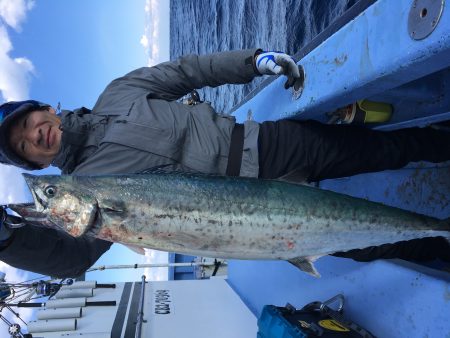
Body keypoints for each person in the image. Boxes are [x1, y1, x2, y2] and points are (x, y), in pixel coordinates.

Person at [0, 49, 449, 277]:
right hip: (253, 223)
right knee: (368, 244)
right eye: (23, 146)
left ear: (43, 109)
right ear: (34, 161)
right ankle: (438, 240)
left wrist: (254, 62)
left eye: (28, 122)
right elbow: (68, 259)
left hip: (263, 147)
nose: (34, 135)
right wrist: (6, 241)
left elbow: (188, 72)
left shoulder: (118, 95)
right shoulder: (89, 188)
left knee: (380, 150)